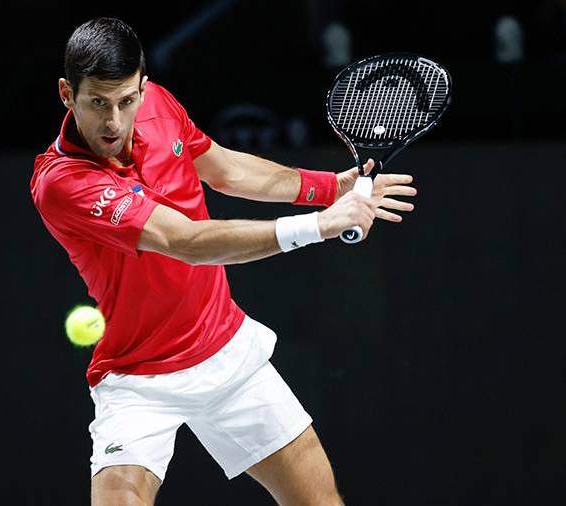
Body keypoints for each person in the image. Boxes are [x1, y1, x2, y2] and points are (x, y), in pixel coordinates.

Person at [30, 17, 416, 506]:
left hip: (226, 352)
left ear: (143, 87)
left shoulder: (160, 106)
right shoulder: (62, 183)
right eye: (98, 103)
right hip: (138, 379)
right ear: (67, 94)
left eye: (127, 101)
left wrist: (329, 188)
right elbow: (186, 241)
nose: (114, 122)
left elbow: (226, 170)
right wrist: (319, 226)